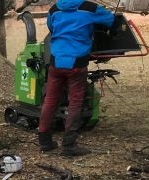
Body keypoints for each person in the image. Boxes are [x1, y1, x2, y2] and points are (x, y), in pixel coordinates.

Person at [37, 0, 115, 157]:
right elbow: (111, 20)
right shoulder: (90, 8)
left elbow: (51, 28)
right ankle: (69, 145)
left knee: (50, 100)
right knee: (75, 102)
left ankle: (45, 141)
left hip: (56, 62)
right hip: (76, 63)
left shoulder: (55, 9)